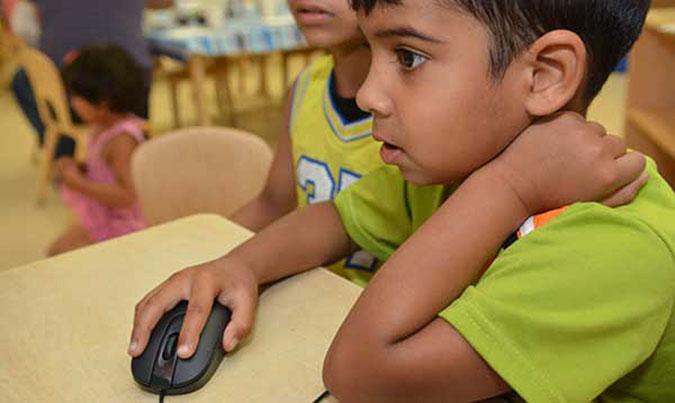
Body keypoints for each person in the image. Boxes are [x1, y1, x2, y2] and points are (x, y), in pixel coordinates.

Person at [129, 0, 675, 401]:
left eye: (408, 57)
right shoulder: (451, 170)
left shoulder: (613, 240)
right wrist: (241, 265)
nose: (367, 94)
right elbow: (336, 219)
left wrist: (509, 187)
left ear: (544, 74)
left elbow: (362, 374)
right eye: (372, 51)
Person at [229, 0, 383, 285]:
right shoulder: (304, 87)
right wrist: (210, 255)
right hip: (310, 301)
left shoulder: (420, 111)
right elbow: (272, 203)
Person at [10, 0, 172, 158]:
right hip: (132, 90)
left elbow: (23, 29)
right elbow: (164, 4)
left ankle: (63, 151)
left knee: (21, 79)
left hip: (72, 93)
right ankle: (135, 143)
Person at [47, 44, 147, 256]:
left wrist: (78, 183)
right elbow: (106, 171)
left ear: (103, 103)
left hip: (123, 227)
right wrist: (81, 168)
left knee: (59, 255)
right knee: (56, 252)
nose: (72, 104)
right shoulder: (102, 128)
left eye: (76, 97)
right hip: (106, 214)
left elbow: (127, 196)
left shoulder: (121, 140)